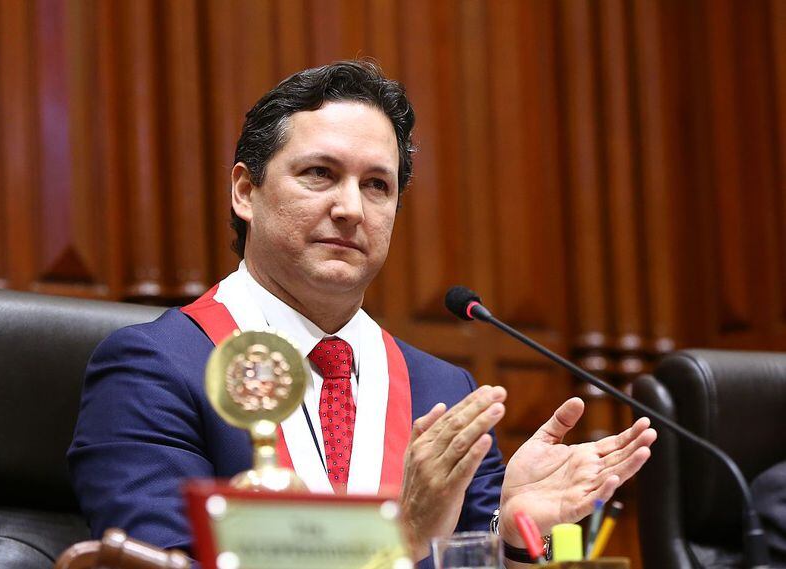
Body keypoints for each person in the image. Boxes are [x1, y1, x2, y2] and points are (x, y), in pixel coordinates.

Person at [68, 60, 656, 566]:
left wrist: (515, 535)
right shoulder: (156, 367)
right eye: (319, 174)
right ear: (246, 192)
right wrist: (400, 540)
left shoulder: (442, 391)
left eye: (377, 185)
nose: (350, 208)